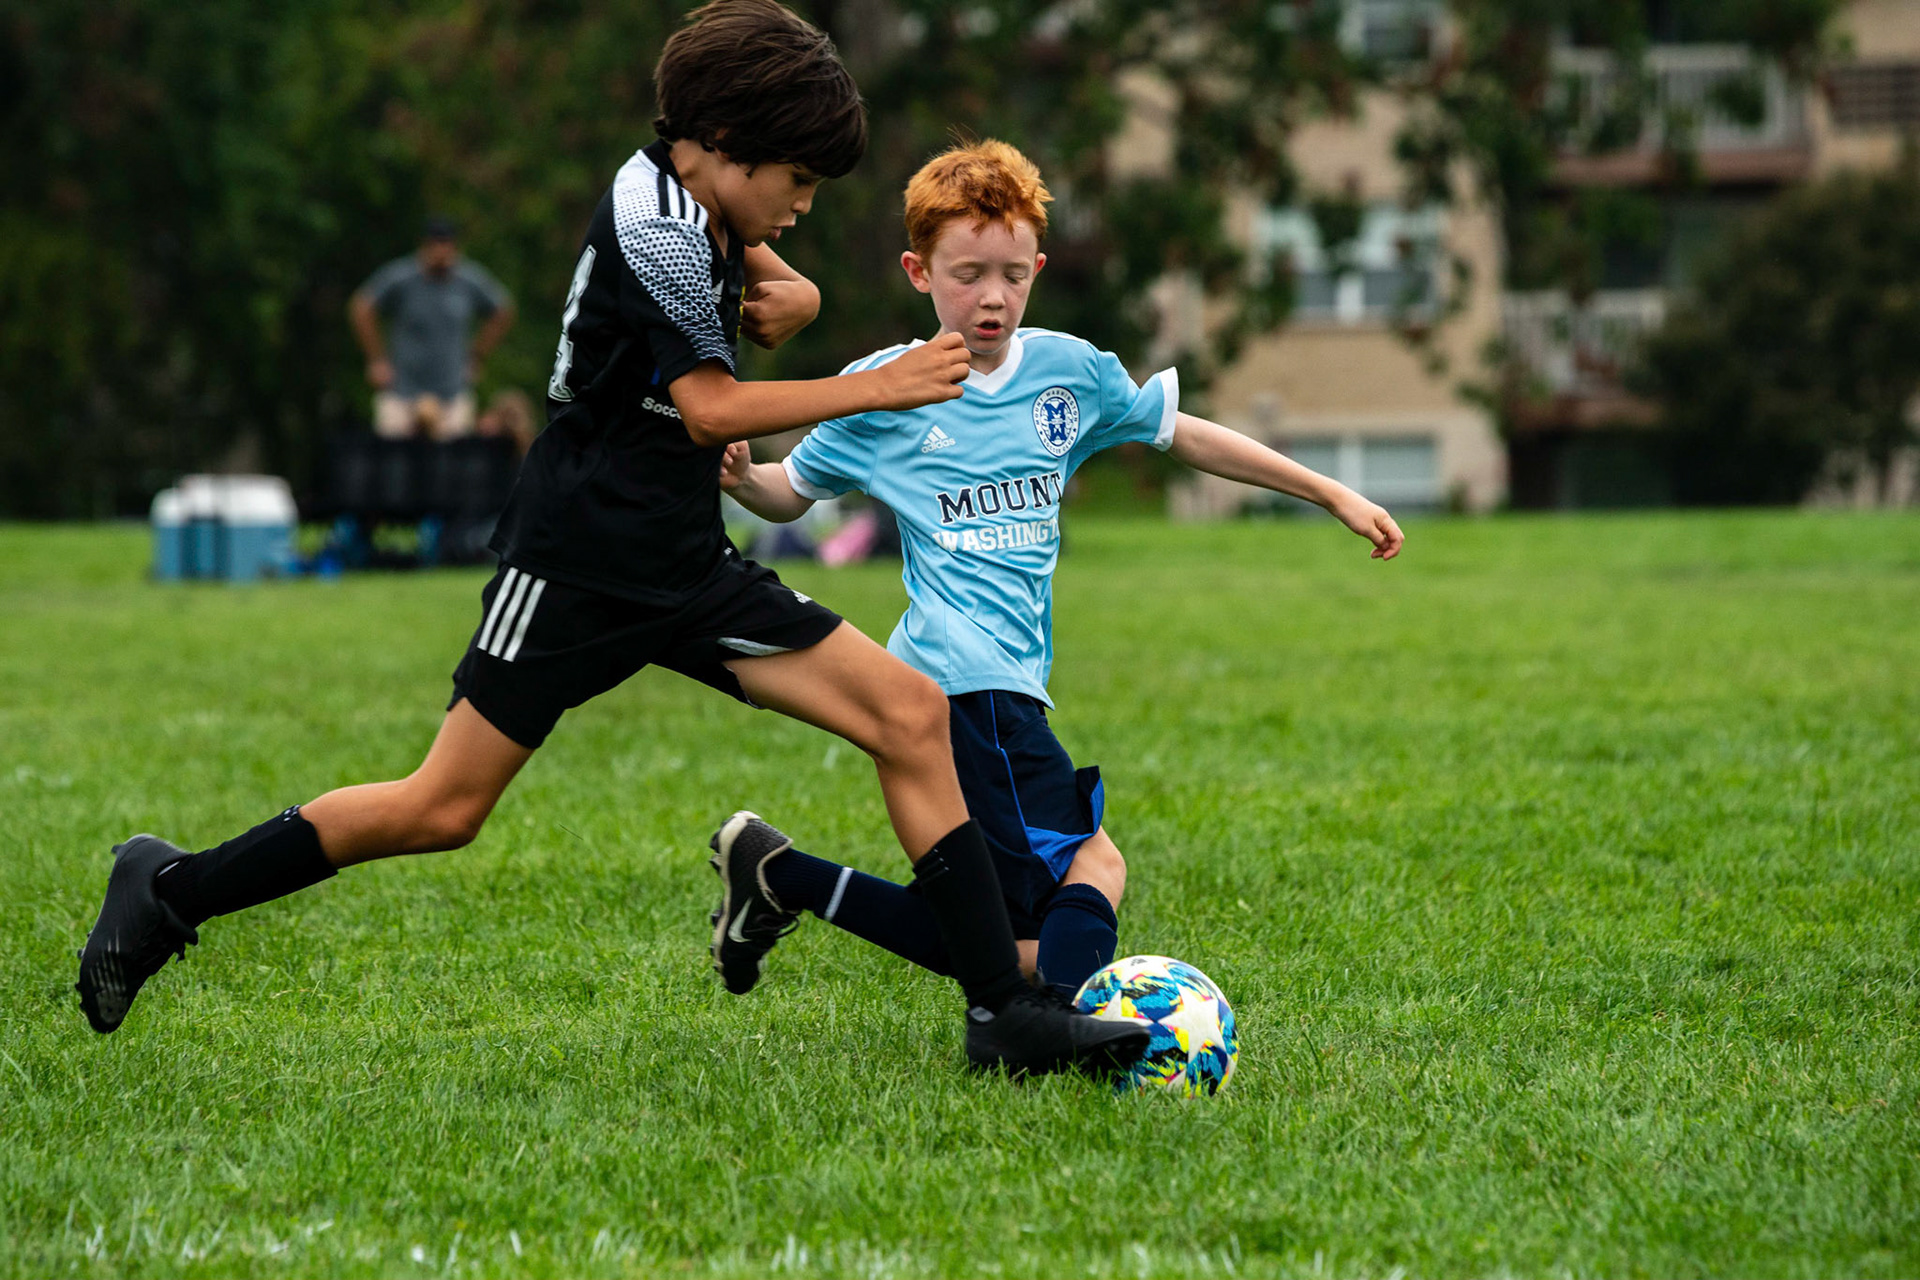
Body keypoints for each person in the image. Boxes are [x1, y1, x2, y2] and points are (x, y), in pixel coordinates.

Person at [75, 3, 1144, 1081]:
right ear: (727, 145)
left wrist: (798, 289)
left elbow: (761, 278)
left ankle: (1004, 1011)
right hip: (578, 562)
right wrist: (881, 382)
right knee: (441, 806)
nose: (804, 206)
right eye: (798, 183)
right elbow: (715, 409)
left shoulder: (706, 196)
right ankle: (169, 889)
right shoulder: (656, 227)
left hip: (683, 557)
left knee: (908, 712)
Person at [712, 139, 1405, 1000]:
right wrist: (748, 481)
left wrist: (1326, 490)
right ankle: (1086, 1030)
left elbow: (1177, 431)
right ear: (918, 272)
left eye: (1012, 273)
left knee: (1003, 938)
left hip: (1006, 687)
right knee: (1094, 863)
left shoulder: (1068, 373)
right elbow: (796, 491)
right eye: (967, 274)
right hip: (966, 689)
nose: (992, 296)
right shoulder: (887, 389)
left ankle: (785, 878)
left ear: (1038, 267)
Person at [350, 216, 517, 440]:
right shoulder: (402, 277)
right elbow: (361, 306)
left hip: (452, 391)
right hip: (402, 390)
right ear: (425, 246)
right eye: (436, 244)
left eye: (446, 245)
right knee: (394, 462)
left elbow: (503, 310)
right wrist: (376, 359)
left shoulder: (468, 280)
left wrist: (477, 356)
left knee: (453, 465)